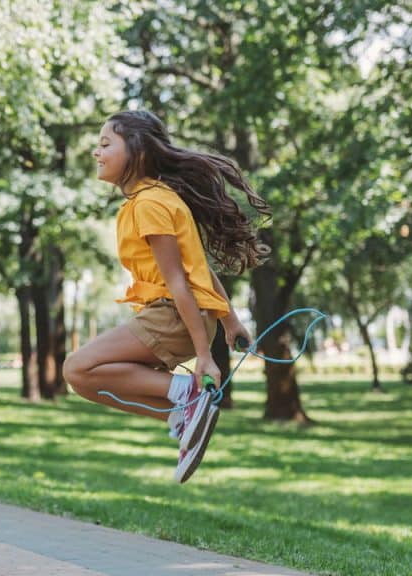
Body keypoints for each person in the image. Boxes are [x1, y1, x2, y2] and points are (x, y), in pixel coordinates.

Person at [63, 110, 270, 483]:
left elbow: (180, 282)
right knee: (89, 377)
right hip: (177, 314)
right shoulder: (153, 199)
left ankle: (188, 394)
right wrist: (230, 321)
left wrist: (204, 357)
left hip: (173, 314)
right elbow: (200, 269)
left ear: (138, 153)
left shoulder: (149, 204)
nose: (97, 152)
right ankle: (181, 415)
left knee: (77, 369)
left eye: (106, 144)